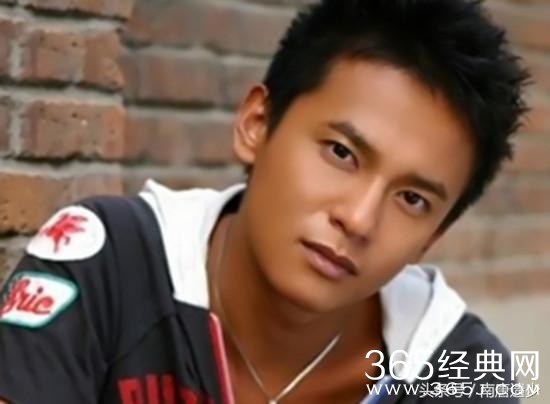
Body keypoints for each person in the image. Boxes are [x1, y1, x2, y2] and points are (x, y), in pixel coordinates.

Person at [0, 0, 530, 403]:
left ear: (433, 237)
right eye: (341, 153)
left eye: (411, 199)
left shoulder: (463, 372)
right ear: (256, 124)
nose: (358, 218)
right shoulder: (110, 262)